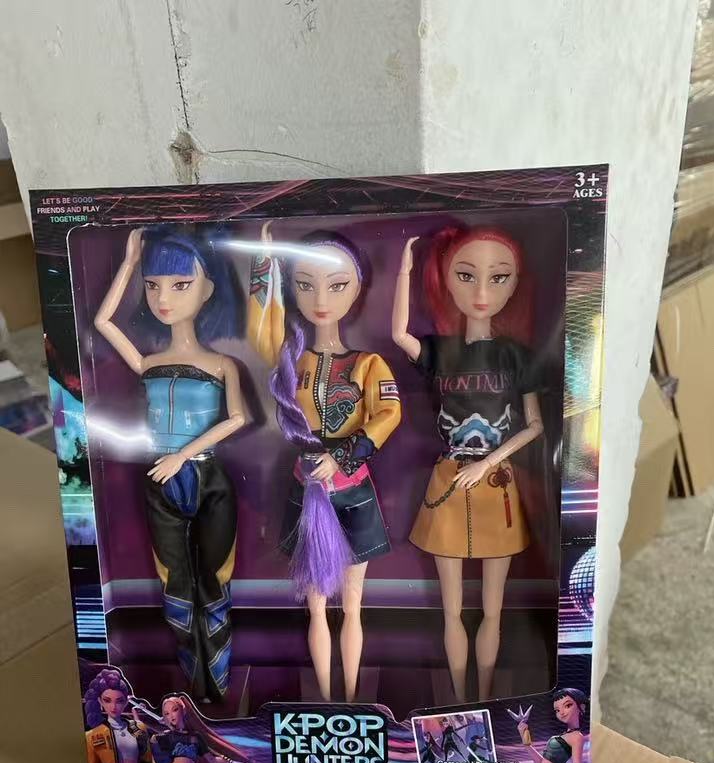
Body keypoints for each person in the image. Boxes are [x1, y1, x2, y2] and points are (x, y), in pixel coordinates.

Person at [248, 223, 401, 701]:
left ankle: (352, 699)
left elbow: (389, 414)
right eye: (305, 284)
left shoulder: (368, 364)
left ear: (357, 290)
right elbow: (260, 326)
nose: (320, 298)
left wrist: (342, 456)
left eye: (336, 285)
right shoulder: (289, 357)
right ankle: (329, 700)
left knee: (353, 604)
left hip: (352, 487)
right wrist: (263, 262)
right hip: (306, 484)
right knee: (315, 606)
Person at [93, 227, 247, 702]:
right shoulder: (148, 363)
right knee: (174, 584)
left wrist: (182, 454)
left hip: (207, 477)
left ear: (208, 289)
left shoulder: (222, 364)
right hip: (161, 482)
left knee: (215, 579)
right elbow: (102, 321)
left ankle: (220, 685)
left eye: (180, 285)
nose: (163, 297)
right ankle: (194, 688)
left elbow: (239, 418)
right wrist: (128, 263)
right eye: (153, 285)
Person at [392, 226, 544, 702]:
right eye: (465, 275)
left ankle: (487, 697)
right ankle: (460, 702)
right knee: (452, 609)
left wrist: (489, 461)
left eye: (498, 278)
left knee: (494, 609)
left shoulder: (515, 356)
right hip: (449, 481)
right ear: (445, 282)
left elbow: (535, 426)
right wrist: (404, 271)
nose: (481, 291)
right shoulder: (440, 351)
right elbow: (397, 334)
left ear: (515, 285)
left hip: (496, 482)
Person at [84, 668, 180, 763]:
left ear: (126, 702)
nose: (113, 707)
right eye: (107, 700)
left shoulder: (138, 728)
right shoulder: (91, 736)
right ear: (100, 701)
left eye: (119, 701)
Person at [511, 688, 588, 763]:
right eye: (557, 710)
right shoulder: (565, 735)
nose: (562, 712)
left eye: (568, 705)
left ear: (581, 707)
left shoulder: (577, 736)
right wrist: (523, 735)